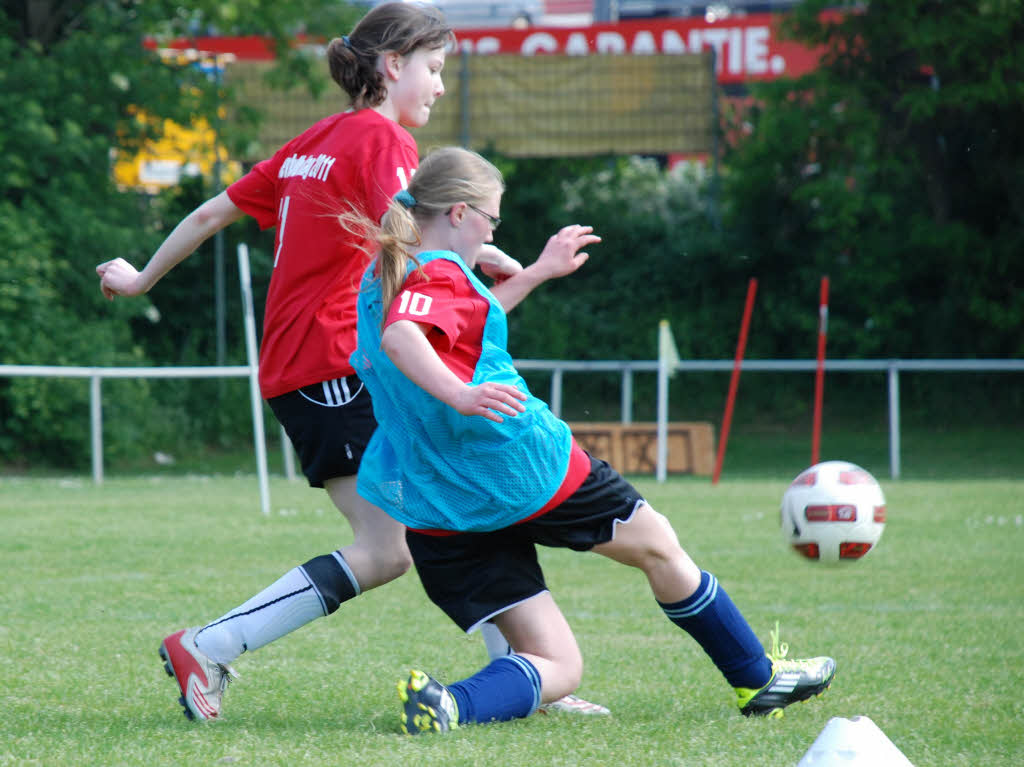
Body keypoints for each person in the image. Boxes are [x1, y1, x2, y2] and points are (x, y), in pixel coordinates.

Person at [96, 3, 605, 722]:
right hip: (333, 366)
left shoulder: (314, 141)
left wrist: (143, 276)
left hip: (307, 367)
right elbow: (415, 238)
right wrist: (487, 261)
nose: (437, 87)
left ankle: (528, 672)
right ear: (392, 65)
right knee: (395, 539)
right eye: (432, 69)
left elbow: (214, 213)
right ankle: (210, 644)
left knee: (435, 508)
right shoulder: (383, 139)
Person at [349, 146, 837, 734]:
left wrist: (533, 274)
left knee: (558, 665)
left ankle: (448, 704)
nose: (491, 231)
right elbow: (409, 338)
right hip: (521, 469)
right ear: (459, 213)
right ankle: (756, 679)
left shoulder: (381, 280)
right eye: (492, 219)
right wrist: (462, 396)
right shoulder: (437, 273)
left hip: (445, 506)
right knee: (660, 546)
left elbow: (449, 330)